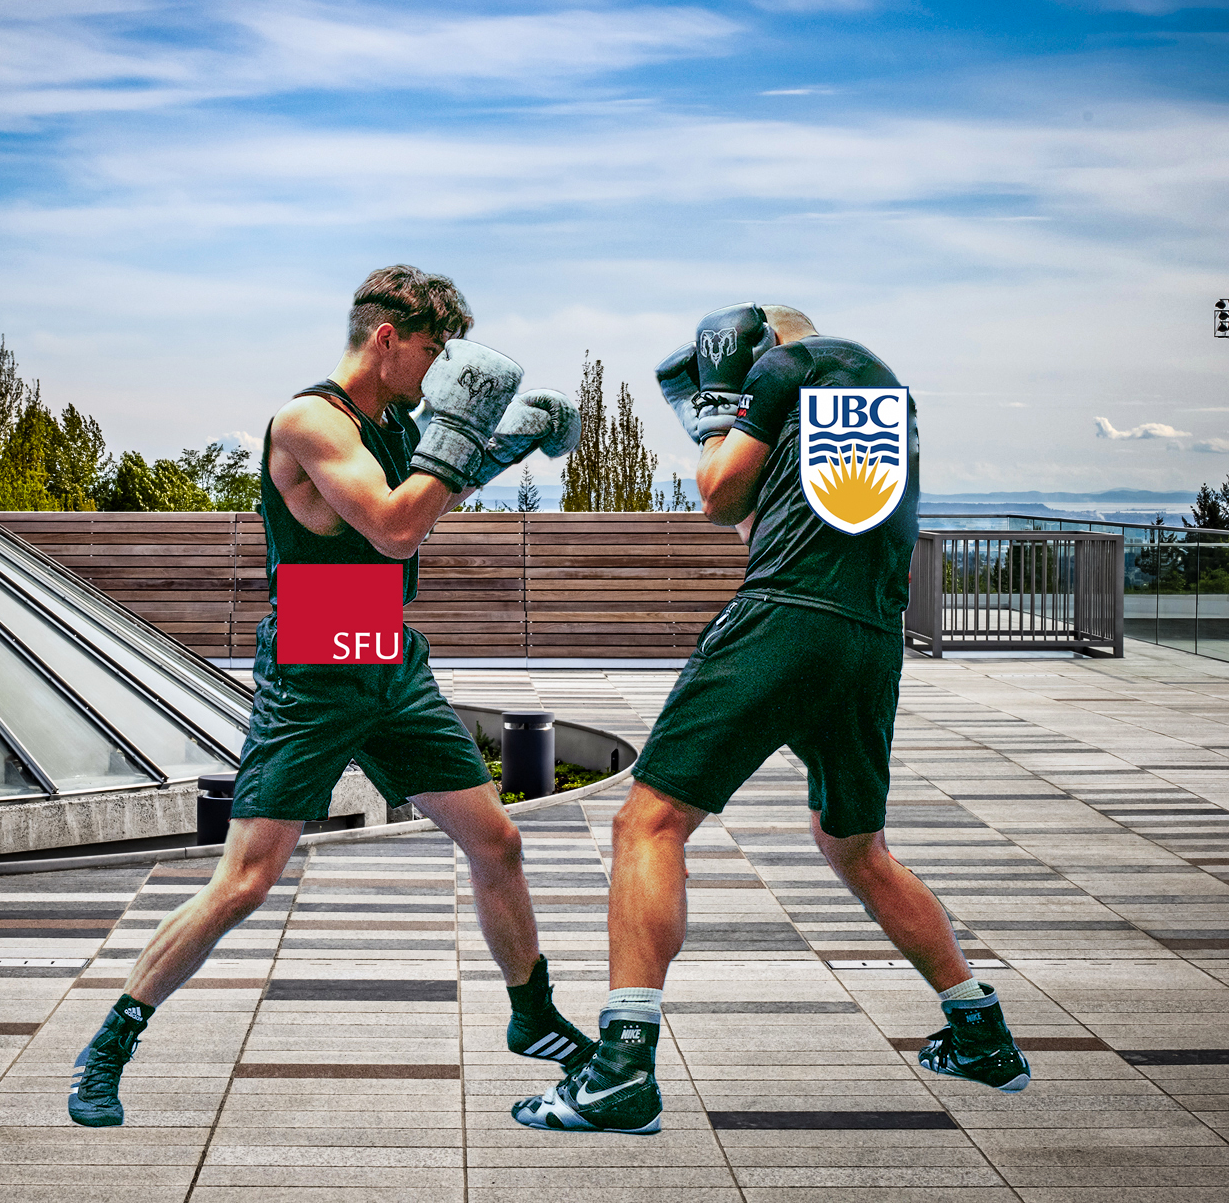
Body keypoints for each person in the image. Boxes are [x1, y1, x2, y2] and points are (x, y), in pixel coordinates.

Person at [70, 265, 593, 1128]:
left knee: (497, 842)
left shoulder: (391, 423)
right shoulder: (311, 420)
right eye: (430, 349)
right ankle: (109, 1046)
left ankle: (531, 1017)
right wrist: (470, 436)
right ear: (386, 338)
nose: (436, 368)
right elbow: (393, 529)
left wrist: (497, 447)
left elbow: (420, 508)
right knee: (246, 880)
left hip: (386, 651)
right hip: (313, 661)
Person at [512, 301, 1031, 1136]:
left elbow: (719, 503)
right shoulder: (879, 397)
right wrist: (730, 428)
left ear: (763, 350)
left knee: (648, 823)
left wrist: (724, 400)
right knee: (856, 846)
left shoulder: (786, 369)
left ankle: (618, 1073)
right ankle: (981, 1033)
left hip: (784, 623)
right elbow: (769, 519)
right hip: (868, 640)